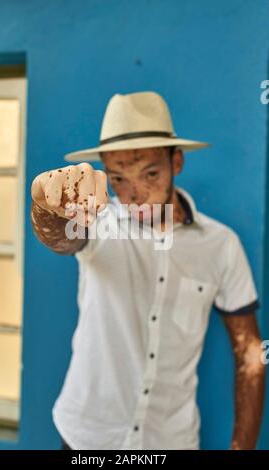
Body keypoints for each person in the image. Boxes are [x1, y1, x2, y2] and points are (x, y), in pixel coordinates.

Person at [30, 91, 265, 450]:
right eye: (118, 178)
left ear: (178, 162)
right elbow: (58, 237)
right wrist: (46, 204)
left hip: (171, 441)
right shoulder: (97, 222)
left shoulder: (222, 245)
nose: (134, 193)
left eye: (150, 173)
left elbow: (250, 353)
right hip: (87, 439)